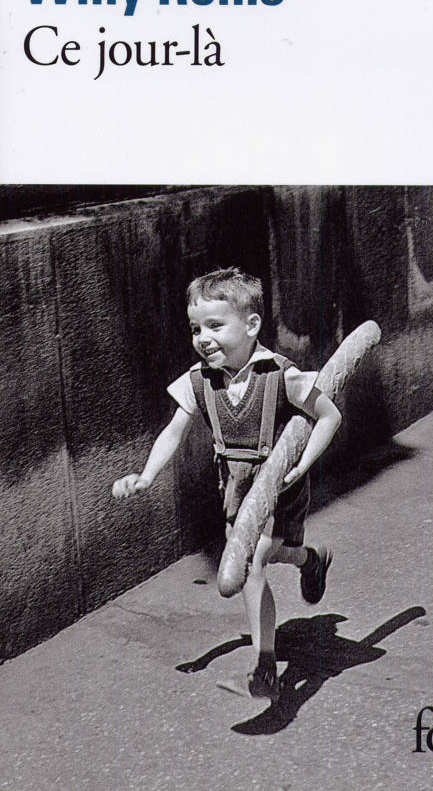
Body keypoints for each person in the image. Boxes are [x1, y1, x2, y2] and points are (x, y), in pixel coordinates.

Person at [112, 267, 342, 703]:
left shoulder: (280, 375)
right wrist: (145, 475)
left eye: (215, 326)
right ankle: (310, 560)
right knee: (263, 558)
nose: (203, 338)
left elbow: (329, 416)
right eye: (195, 328)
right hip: (235, 489)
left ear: (251, 325)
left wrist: (302, 464)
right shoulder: (199, 381)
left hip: (280, 488)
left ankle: (266, 670)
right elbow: (174, 431)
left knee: (252, 564)